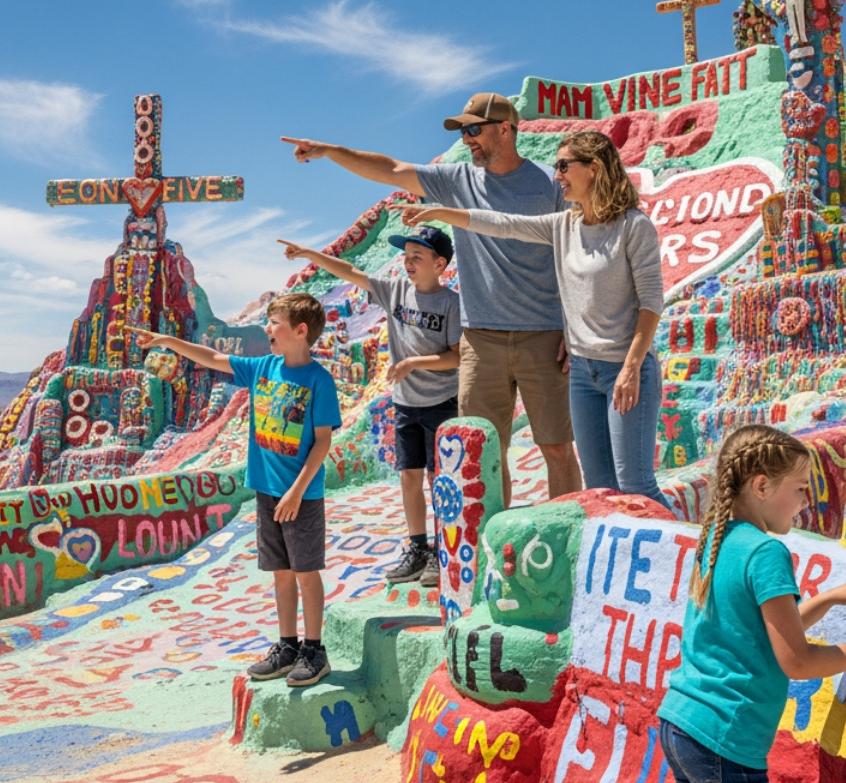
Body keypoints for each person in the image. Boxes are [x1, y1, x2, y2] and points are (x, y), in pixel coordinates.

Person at [283, 93, 583, 507]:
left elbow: (574, 253)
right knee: (483, 452)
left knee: (557, 448)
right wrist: (330, 151)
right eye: (462, 132)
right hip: (481, 341)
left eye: (473, 129)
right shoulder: (457, 180)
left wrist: (572, 325)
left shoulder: (549, 184)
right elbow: (392, 169)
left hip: (543, 336)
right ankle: (488, 541)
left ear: (505, 129)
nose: (467, 139)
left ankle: (566, 531)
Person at [392, 129, 669, 506]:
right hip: (583, 374)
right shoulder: (564, 225)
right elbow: (504, 224)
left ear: (594, 168)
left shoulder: (633, 225)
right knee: (600, 489)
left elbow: (651, 302)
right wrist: (441, 213)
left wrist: (632, 367)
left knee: (636, 486)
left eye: (564, 166)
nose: (557, 175)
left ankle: (690, 545)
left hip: (625, 367)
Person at [656, 425, 846, 782]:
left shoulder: (718, 537)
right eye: (800, 488)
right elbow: (797, 661)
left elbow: (762, 632)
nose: (806, 501)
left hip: (682, 724)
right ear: (761, 487)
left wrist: (830, 598)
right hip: (726, 739)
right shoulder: (766, 552)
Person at [130, 293, 342, 688]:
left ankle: (315, 650)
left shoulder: (319, 380)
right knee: (281, 573)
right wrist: (168, 341)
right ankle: (287, 646)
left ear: (300, 331)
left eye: (275, 323)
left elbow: (322, 442)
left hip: (300, 496)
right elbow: (212, 357)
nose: (267, 329)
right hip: (267, 490)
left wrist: (297, 491)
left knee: (305, 572)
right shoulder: (263, 367)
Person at [278, 226, 460, 588]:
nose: (407, 263)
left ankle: (443, 550)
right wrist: (310, 254)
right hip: (406, 404)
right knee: (409, 477)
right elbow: (350, 272)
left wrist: (413, 363)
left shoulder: (450, 304)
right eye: (406, 256)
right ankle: (418, 548)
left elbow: (457, 356)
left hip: (442, 403)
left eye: (417, 257)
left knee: (438, 479)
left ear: (439, 265)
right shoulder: (395, 291)